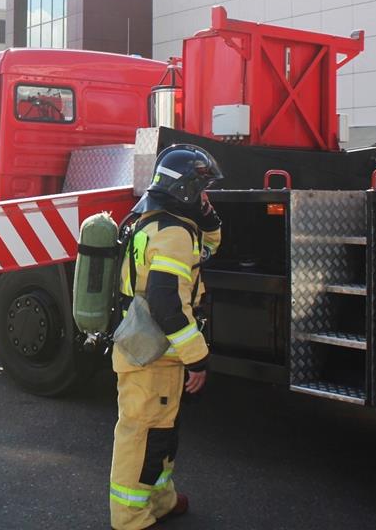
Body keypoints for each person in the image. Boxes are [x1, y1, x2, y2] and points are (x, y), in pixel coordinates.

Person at [110, 144, 223, 530]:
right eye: (202, 191)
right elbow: (167, 303)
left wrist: (208, 216)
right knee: (142, 433)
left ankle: (160, 498)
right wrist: (198, 357)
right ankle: (130, 517)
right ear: (186, 190)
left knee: (161, 430)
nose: (206, 197)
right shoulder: (174, 233)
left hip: (152, 350)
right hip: (154, 354)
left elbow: (207, 250)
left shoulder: (157, 222)